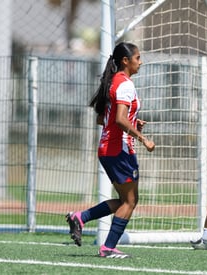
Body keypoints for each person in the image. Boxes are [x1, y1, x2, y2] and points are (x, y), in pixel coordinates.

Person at [66, 42, 155, 258]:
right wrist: (142, 138)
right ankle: (107, 247)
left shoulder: (113, 82)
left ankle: (81, 217)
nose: (140, 62)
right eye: (138, 58)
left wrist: (134, 122)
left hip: (109, 149)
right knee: (130, 201)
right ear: (126, 61)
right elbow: (119, 119)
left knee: (127, 200)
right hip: (119, 151)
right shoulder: (124, 84)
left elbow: (103, 119)